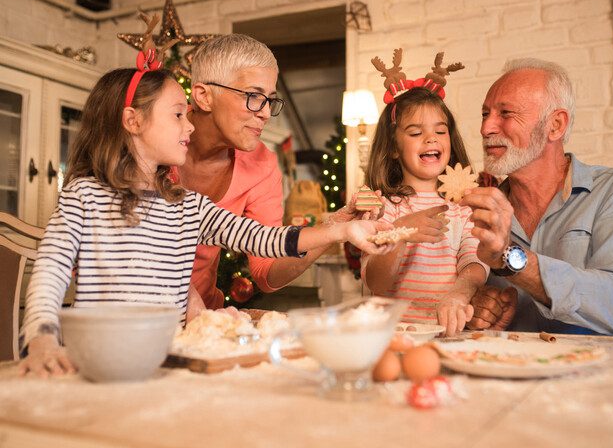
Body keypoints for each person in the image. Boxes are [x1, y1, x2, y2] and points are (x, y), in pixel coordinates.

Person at [18, 62, 395, 377]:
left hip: (164, 363)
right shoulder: (84, 195)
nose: (190, 126)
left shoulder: (188, 206)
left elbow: (265, 239)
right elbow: (50, 270)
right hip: (99, 362)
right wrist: (42, 337)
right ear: (133, 121)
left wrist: (342, 228)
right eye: (178, 115)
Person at [181, 34, 374, 311]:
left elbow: (268, 266)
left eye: (270, 100)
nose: (265, 113)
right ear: (204, 96)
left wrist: (336, 227)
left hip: (203, 318)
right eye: (253, 96)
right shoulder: (152, 143)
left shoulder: (261, 164)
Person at [462, 58, 613, 336]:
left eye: (505, 113)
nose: (486, 129)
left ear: (555, 125)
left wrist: (510, 258)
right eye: (485, 114)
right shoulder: (478, 211)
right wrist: (481, 309)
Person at [361, 81, 489, 336]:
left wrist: (458, 295)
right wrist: (399, 233)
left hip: (449, 332)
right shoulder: (383, 207)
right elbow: (377, 283)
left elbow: (474, 263)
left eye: (440, 132)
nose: (431, 138)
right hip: (395, 334)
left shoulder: (463, 207)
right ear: (394, 148)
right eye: (416, 132)